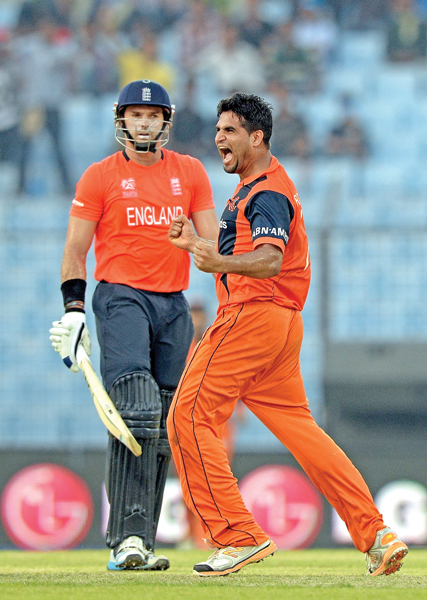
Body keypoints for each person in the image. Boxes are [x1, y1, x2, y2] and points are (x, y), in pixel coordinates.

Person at [166, 92, 408, 577]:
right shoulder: (255, 189)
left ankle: (237, 535)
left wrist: (218, 262)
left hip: (252, 315)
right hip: (281, 326)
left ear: (258, 138)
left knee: (187, 417)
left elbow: (270, 260)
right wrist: (198, 244)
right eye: (217, 130)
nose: (219, 139)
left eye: (230, 130)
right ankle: (376, 533)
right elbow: (249, 250)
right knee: (302, 432)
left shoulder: (267, 193)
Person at [49, 79, 218, 571]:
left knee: (164, 425)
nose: (144, 122)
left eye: (153, 115)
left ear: (166, 121)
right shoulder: (99, 176)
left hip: (173, 304)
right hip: (121, 297)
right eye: (135, 114)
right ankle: (124, 538)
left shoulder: (190, 172)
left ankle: (139, 543)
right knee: (138, 408)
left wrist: (195, 245)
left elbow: (212, 251)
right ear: (122, 120)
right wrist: (74, 310)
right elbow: (75, 250)